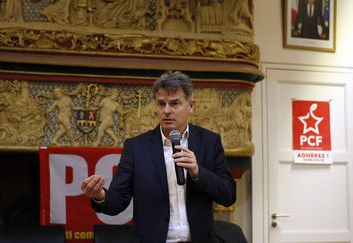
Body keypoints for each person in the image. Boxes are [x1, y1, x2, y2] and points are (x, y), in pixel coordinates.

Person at [80, 71, 236, 242]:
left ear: (191, 106)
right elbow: (118, 200)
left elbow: (228, 195)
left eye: (175, 103)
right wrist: (100, 195)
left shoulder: (209, 142)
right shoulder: (136, 147)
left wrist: (198, 173)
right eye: (161, 104)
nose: (167, 111)